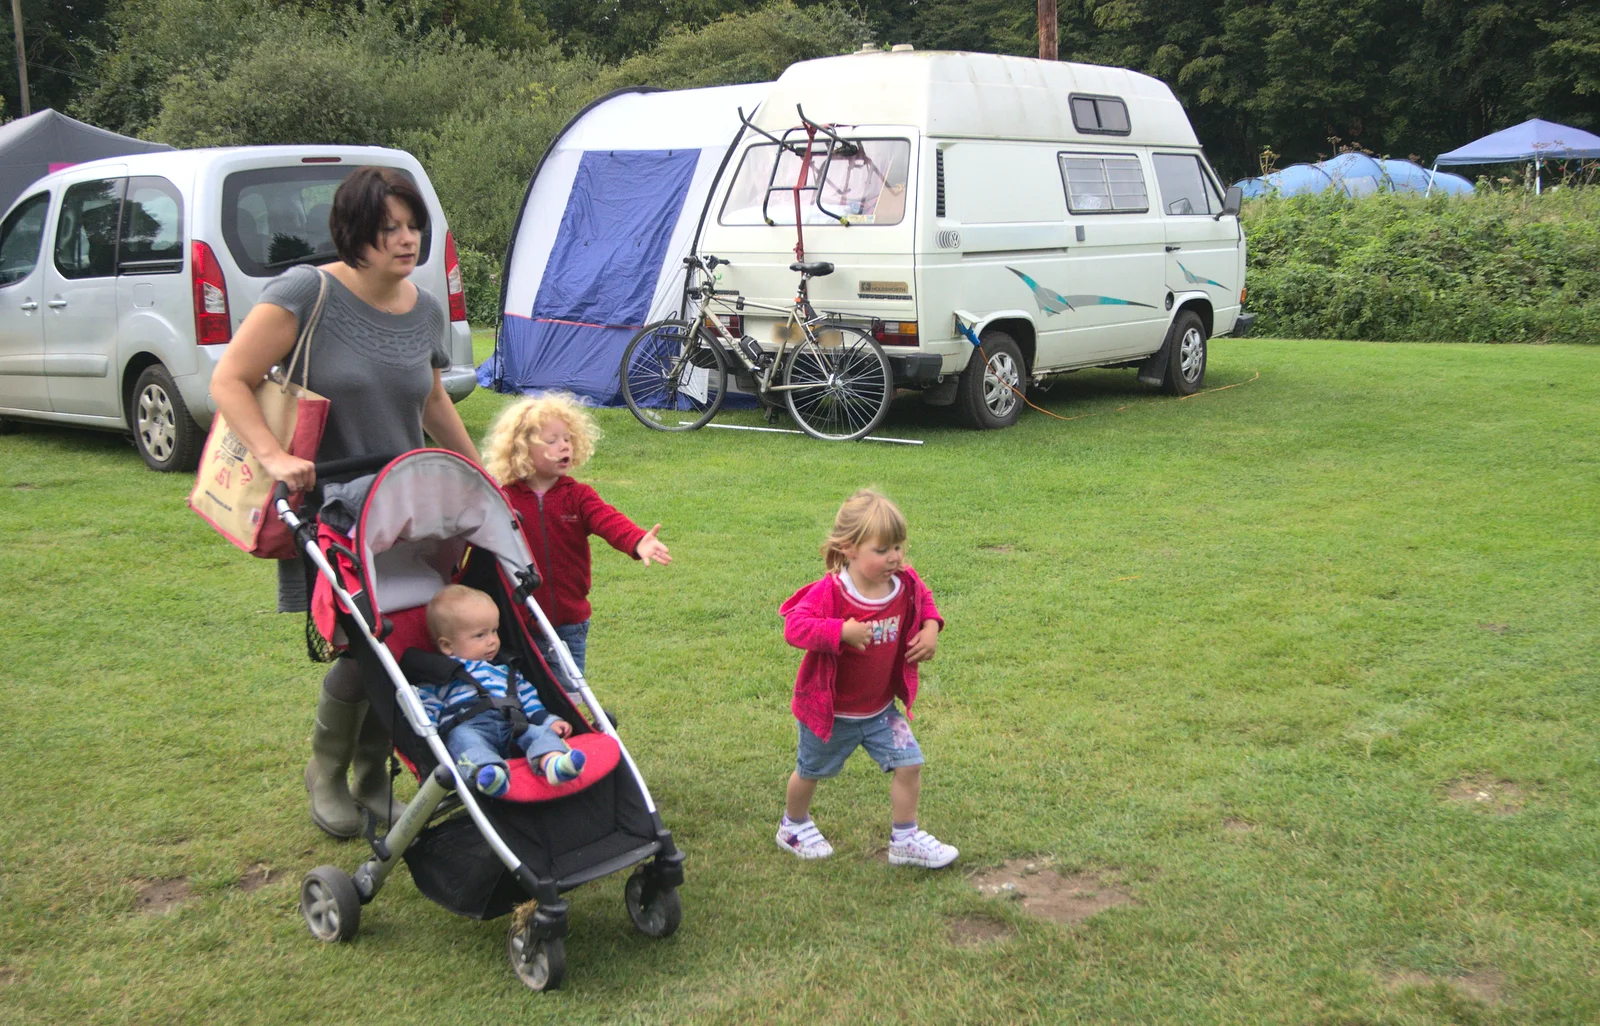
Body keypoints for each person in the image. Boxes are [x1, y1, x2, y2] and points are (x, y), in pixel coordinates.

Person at [210, 166, 480, 839]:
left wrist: (476, 473)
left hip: (403, 506)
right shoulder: (308, 292)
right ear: (354, 232)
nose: (406, 238)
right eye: (388, 227)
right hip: (327, 506)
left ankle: (371, 774)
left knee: (399, 641)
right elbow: (230, 378)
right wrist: (274, 459)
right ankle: (329, 773)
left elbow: (433, 398)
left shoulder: (423, 306)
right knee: (361, 649)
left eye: (413, 225)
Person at [776, 489, 957, 868]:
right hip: (832, 714)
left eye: (898, 547)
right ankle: (793, 826)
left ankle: (905, 839)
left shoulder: (904, 582)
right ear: (850, 548)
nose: (894, 557)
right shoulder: (832, 592)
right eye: (882, 549)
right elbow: (795, 627)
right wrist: (840, 631)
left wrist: (931, 628)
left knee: (910, 764)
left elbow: (926, 601)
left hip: (879, 712)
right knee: (809, 772)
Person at [482, 393, 671, 677]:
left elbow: (608, 520)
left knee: (569, 696)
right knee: (523, 695)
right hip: (519, 621)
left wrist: (637, 540)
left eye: (568, 439)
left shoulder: (578, 496)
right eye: (552, 440)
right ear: (521, 448)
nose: (564, 446)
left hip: (569, 623)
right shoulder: (503, 498)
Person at [419, 586, 585, 794]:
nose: (492, 641)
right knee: (464, 743)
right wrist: (427, 736)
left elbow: (527, 697)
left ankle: (553, 762)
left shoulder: (504, 669)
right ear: (447, 646)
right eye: (480, 635)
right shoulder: (441, 675)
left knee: (539, 733)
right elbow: (426, 706)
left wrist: (549, 720)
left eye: (494, 631)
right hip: (468, 726)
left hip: (511, 724)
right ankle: (488, 774)